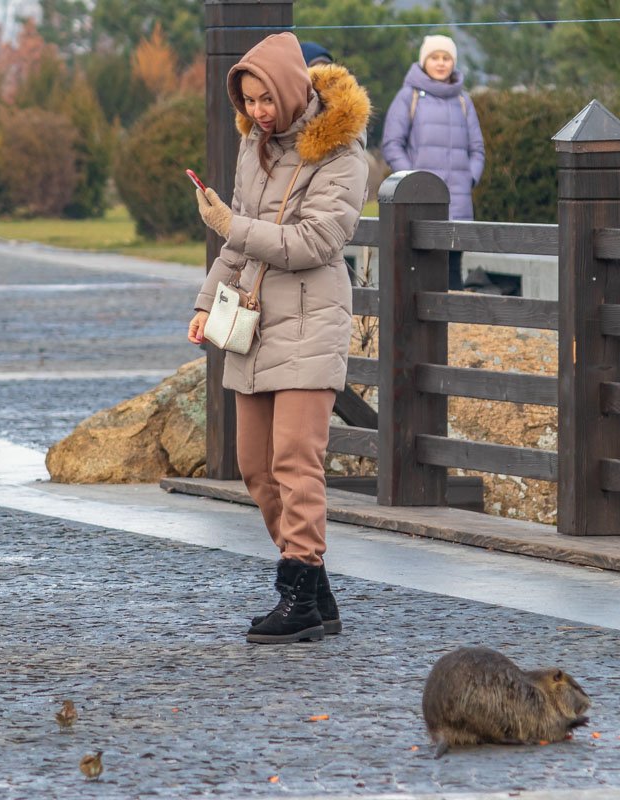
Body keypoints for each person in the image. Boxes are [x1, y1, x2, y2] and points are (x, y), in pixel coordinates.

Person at [188, 31, 370, 645]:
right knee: (254, 468)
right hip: (253, 324)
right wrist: (205, 302)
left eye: (265, 99)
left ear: (292, 88)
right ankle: (316, 592)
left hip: (310, 323)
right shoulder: (254, 149)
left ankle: (296, 593)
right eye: (247, 102)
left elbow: (314, 244)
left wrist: (230, 224)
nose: (258, 112)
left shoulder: (342, 154)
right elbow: (238, 240)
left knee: (295, 463)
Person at [381, 34, 485, 290]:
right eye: (435, 57)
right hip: (419, 200)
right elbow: (392, 144)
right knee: (419, 270)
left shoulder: (464, 100)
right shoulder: (408, 97)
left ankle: (455, 330)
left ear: (454, 62)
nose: (441, 63)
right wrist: (413, 181)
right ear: (424, 61)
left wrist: (469, 178)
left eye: (446, 58)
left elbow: (477, 149)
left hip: (458, 201)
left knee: (452, 273)